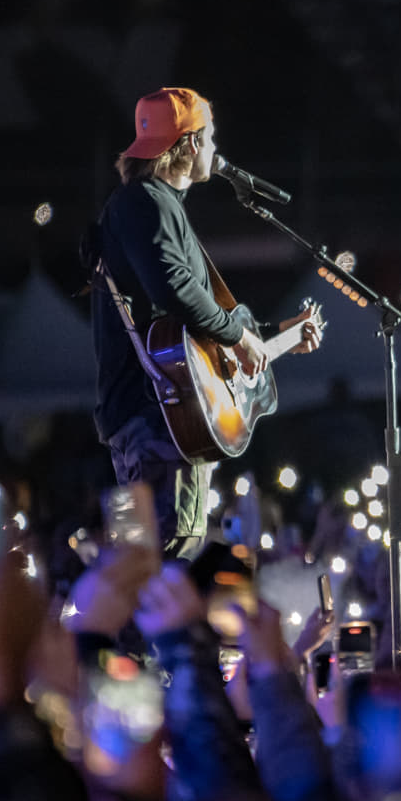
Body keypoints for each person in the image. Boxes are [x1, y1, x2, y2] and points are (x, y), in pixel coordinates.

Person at [86, 88, 321, 559]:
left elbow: (190, 331)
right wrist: (238, 336)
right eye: (210, 137)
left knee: (148, 565)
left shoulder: (153, 205)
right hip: (155, 419)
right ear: (190, 145)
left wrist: (271, 338)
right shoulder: (145, 202)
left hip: (161, 418)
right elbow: (173, 287)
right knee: (164, 558)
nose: (216, 149)